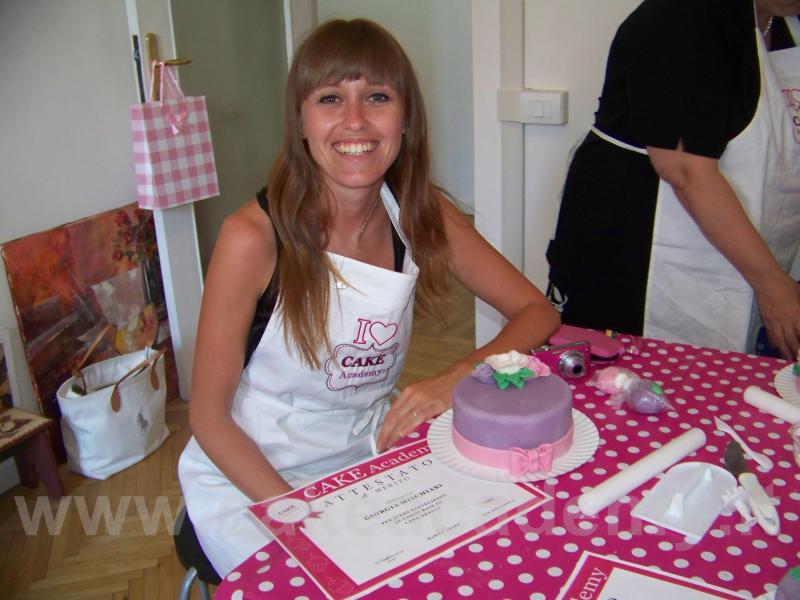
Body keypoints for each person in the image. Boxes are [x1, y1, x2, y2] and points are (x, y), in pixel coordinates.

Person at [178, 18, 559, 577]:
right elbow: (208, 419)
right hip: (253, 476)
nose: (355, 120)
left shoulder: (421, 213)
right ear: (301, 121)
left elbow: (537, 312)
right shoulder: (251, 239)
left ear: (406, 119)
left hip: (369, 452)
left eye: (377, 97)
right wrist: (306, 520)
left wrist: (457, 377)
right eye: (330, 98)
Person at [546, 0, 800, 359]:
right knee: (636, 373)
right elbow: (684, 170)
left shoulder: (782, 22)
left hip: (742, 244)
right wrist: (771, 283)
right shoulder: (684, 17)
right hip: (641, 236)